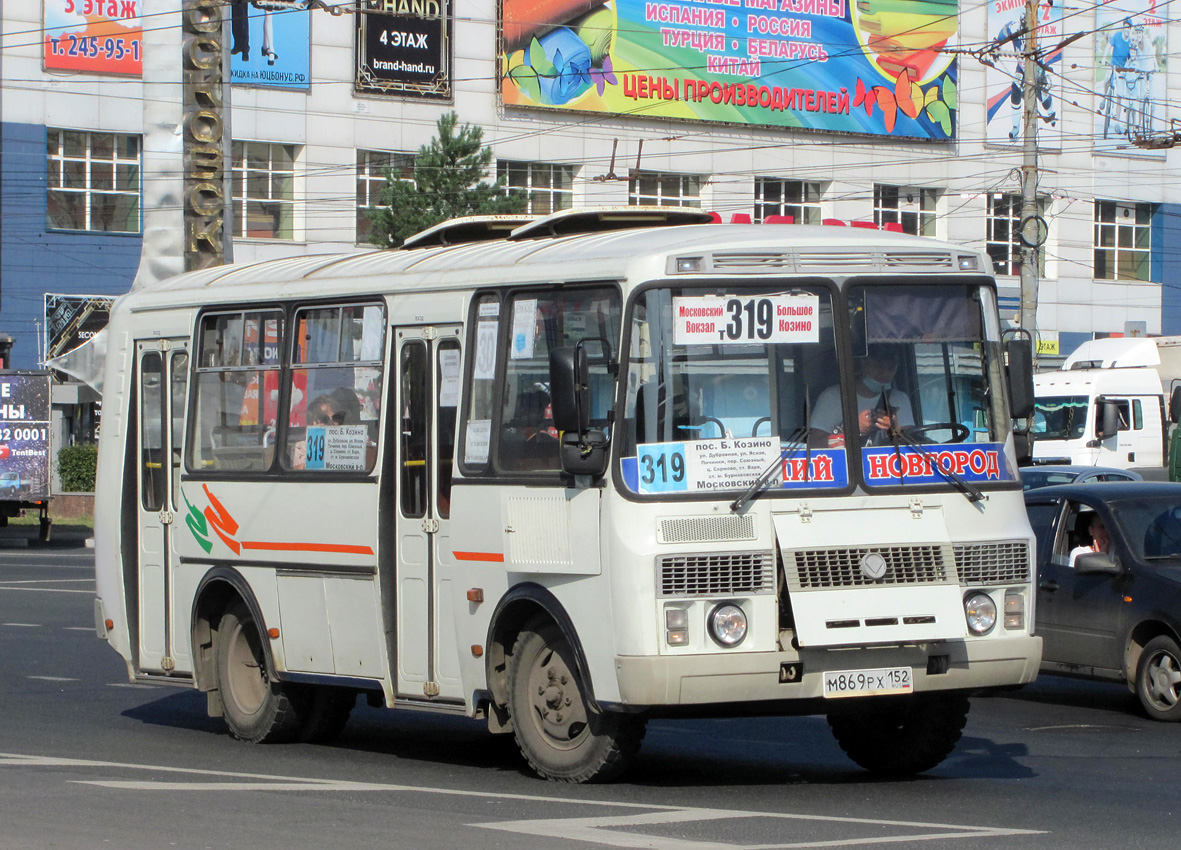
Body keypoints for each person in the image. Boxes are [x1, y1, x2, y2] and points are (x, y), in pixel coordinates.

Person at [810, 345, 914, 448]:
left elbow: (912, 446)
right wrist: (853, 430)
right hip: (846, 464)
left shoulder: (900, 399)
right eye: (878, 366)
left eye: (891, 368)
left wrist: (895, 430)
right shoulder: (832, 397)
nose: (885, 373)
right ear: (863, 364)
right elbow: (814, 444)